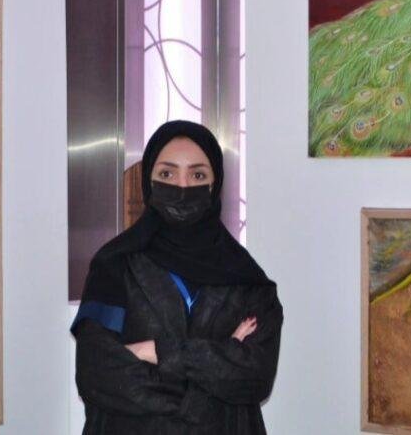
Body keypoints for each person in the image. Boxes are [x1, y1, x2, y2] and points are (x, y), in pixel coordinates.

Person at [72, 120, 283, 434]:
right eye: (167, 175)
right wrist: (213, 369)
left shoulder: (246, 278)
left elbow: (255, 378)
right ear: (149, 181)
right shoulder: (114, 265)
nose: (182, 187)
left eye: (198, 175)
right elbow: (98, 374)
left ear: (215, 185)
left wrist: (157, 351)